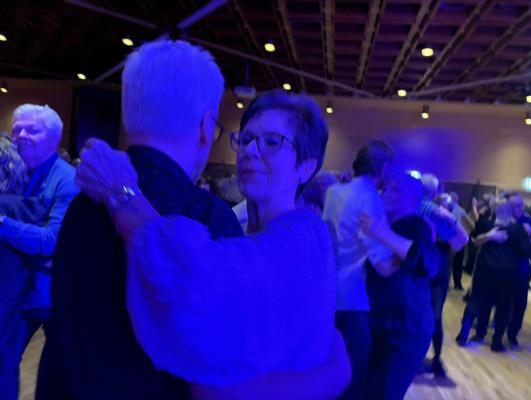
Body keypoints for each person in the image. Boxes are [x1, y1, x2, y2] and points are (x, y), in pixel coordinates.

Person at [38, 40, 349, 400]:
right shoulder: (227, 222)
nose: (250, 151)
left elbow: (197, 285)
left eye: (272, 142)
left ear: (306, 167)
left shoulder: (296, 236)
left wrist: (122, 194)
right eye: (247, 138)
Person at [0, 105, 79, 399]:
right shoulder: (12, 172)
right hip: (16, 292)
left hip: (50, 295)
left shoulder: (67, 180)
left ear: (55, 138)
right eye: (17, 129)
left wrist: (2, 223)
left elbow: (51, 242)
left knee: (56, 372)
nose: (21, 135)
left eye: (32, 130)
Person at [322, 140, 398, 400]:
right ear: (384, 168)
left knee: (326, 375)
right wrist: (408, 254)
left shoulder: (333, 192)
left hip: (327, 294)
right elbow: (384, 266)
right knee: (351, 382)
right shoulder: (371, 200)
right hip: (353, 302)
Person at [360, 171, 439, 400]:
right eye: (385, 188)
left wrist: (379, 232)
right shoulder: (385, 224)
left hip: (405, 330)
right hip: (382, 325)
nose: (386, 193)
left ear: (413, 199)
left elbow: (428, 262)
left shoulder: (415, 224)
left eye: (395, 190)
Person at [456, 200, 531, 352]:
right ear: (511, 213)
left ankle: (473, 334)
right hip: (507, 274)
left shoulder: (487, 224)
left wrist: (488, 237)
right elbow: (527, 251)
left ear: (495, 212)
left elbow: (473, 241)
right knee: (503, 308)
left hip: (484, 270)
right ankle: (496, 342)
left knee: (479, 303)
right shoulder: (518, 229)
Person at [418, 175, 468, 377]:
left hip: (418, 266)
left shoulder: (411, 207)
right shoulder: (435, 212)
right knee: (434, 316)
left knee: (421, 314)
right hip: (436, 268)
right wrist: (451, 220)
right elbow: (459, 243)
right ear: (435, 192)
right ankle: (435, 359)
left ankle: (420, 358)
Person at [506, 193, 531, 347]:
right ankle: (499, 326)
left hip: (521, 266)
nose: (514, 208)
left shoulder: (529, 221)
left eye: (516, 205)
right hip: (504, 265)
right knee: (504, 300)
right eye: (511, 205)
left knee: (520, 303)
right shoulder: (504, 219)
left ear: (522, 206)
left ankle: (513, 333)